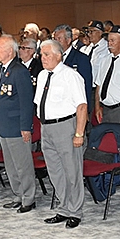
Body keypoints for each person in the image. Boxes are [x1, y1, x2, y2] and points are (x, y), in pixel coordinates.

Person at [36, 40, 88, 228]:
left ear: (59, 55)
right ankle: (64, 207)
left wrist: (79, 134)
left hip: (66, 127)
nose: (43, 58)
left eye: (47, 54)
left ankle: (75, 211)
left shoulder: (70, 76)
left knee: (71, 170)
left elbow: (82, 106)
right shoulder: (42, 76)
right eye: (41, 54)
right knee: (55, 171)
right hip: (46, 127)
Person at [0, 35, 36, 213]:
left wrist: (26, 127)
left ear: (10, 51)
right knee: (11, 165)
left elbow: (27, 102)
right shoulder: (1, 70)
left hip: (17, 126)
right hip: (4, 125)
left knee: (22, 164)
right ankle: (18, 194)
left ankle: (28, 198)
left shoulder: (19, 71)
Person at [53, 24, 93, 110]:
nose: (56, 42)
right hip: (58, 107)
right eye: (54, 39)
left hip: (75, 107)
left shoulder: (81, 58)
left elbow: (86, 85)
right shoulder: (52, 59)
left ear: (68, 40)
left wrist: (85, 109)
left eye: (59, 39)